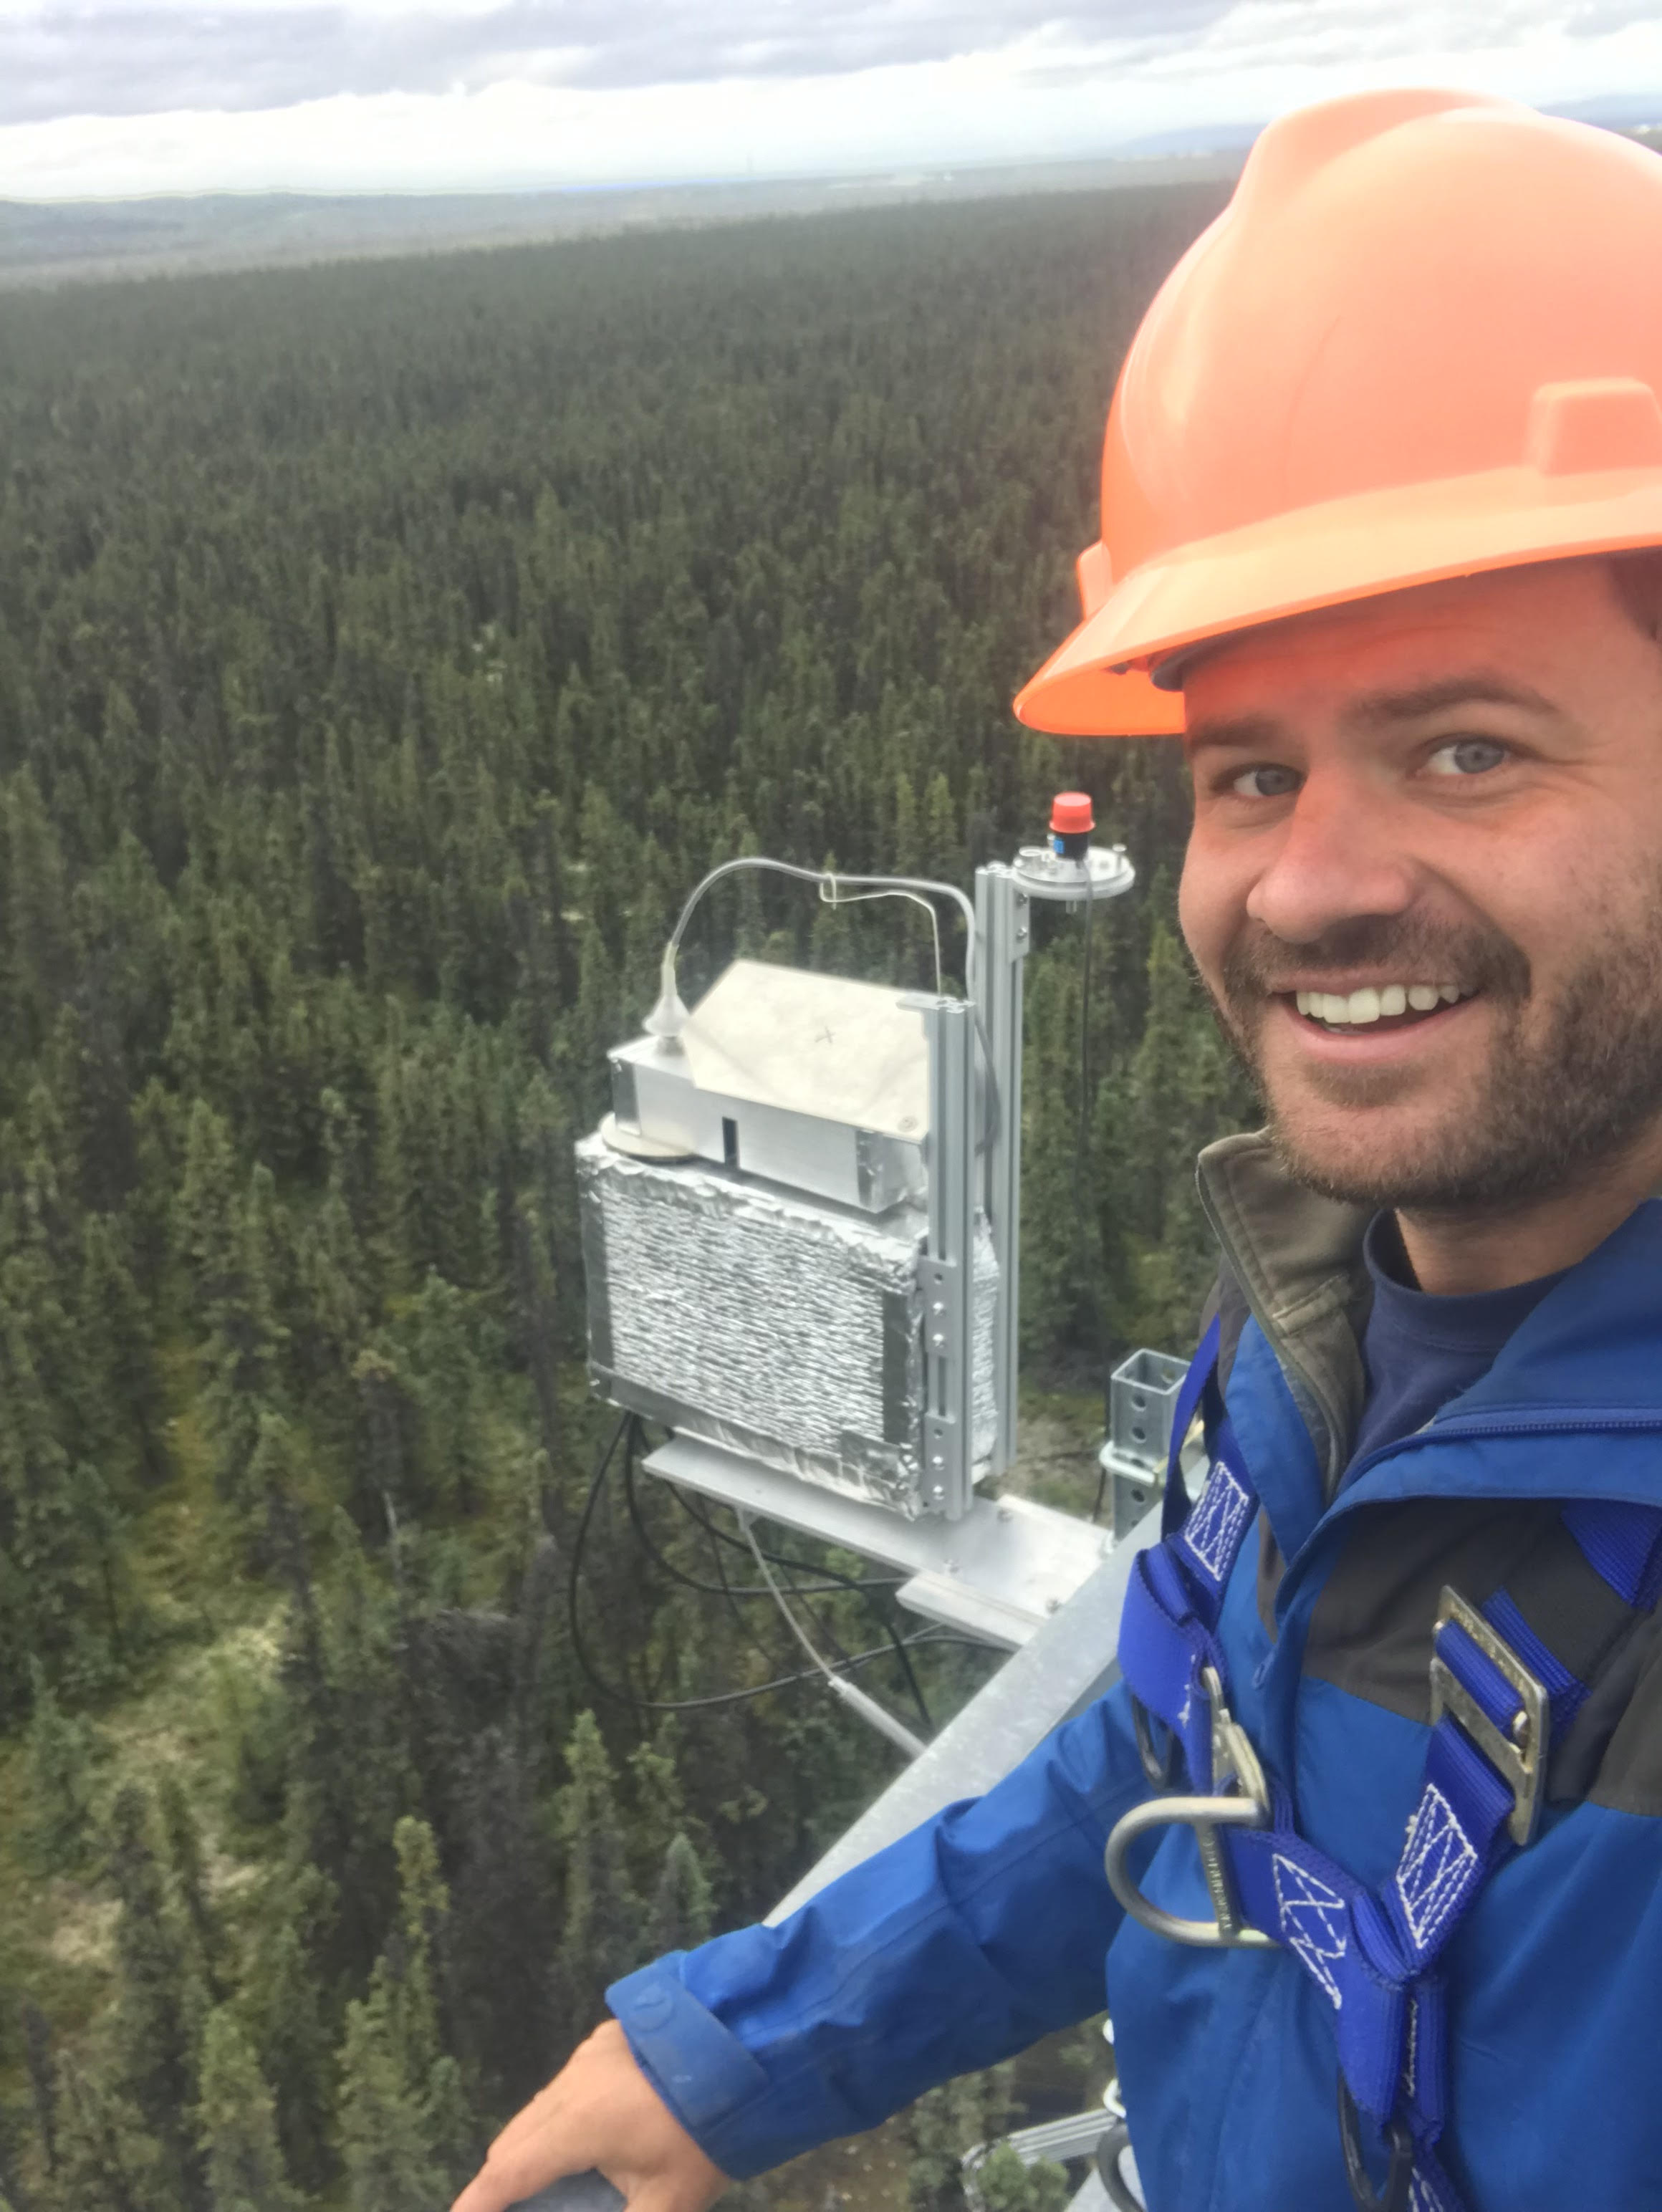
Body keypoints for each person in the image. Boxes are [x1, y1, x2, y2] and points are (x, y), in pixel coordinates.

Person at [453, 89, 1662, 2212]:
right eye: (1257, 772)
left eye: (1468, 747)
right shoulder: (1336, 1306)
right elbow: (1195, 1750)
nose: (1308, 887)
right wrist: (747, 2047)